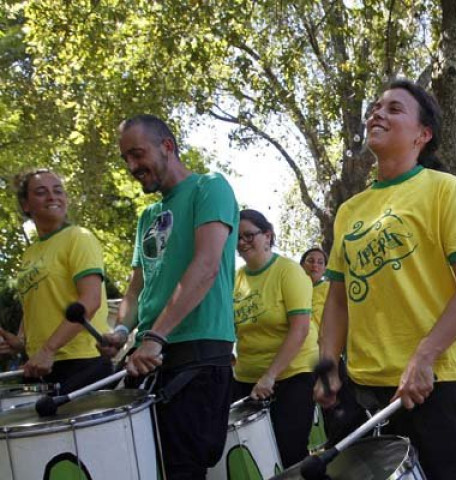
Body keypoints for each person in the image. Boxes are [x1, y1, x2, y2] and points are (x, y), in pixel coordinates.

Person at [314, 80, 456, 480]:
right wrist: (327, 369)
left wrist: (424, 357)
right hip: (367, 396)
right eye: (376, 107)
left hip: (440, 387)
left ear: (422, 135)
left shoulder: (443, 189)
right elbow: (337, 302)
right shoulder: (349, 211)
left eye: (394, 109)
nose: (377, 113)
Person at [101, 114, 238, 479]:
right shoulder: (147, 216)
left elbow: (206, 265)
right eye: (125, 159)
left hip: (196, 355)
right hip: (150, 358)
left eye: (137, 154)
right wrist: (120, 331)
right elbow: (136, 287)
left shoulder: (210, 187)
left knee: (184, 471)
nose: (132, 166)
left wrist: (156, 337)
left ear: (167, 146)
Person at [0, 169, 112, 394]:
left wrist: (48, 349)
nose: (52, 197)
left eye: (58, 191)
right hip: (42, 366)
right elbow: (37, 307)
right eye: (42, 192)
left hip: (82, 361)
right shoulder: (30, 253)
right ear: (26, 205)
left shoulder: (79, 237)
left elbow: (90, 301)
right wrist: (21, 342)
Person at [233, 209, 317, 467]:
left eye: (249, 235)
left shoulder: (288, 272)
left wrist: (270, 375)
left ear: (267, 235)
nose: (242, 242)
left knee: (290, 450)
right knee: (255, 457)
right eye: (237, 238)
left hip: (292, 375)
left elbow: (300, 329)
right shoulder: (235, 279)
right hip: (248, 379)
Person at [300, 247, 329, 331]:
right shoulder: (291, 287)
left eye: (320, 262)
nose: (315, 265)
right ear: (301, 265)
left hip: (322, 341)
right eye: (310, 261)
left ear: (324, 269)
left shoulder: (331, 289)